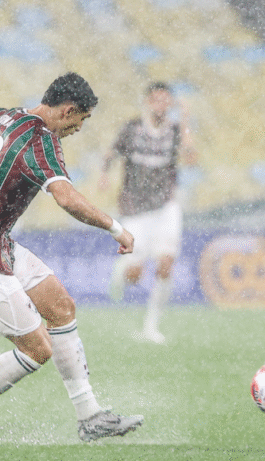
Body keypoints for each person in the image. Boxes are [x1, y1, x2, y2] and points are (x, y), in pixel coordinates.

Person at [0, 72, 144, 446]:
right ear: (68, 111)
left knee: (61, 307)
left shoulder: (3, 116)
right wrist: (116, 228)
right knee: (37, 349)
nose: (79, 128)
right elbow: (66, 199)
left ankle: (90, 416)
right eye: (81, 120)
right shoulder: (40, 141)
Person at [100, 81, 198, 344]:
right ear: (147, 102)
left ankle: (151, 327)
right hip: (135, 207)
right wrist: (104, 175)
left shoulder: (176, 130)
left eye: (166, 100)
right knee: (135, 275)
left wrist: (186, 119)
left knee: (166, 263)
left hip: (166, 204)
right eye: (155, 99)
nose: (160, 105)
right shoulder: (132, 129)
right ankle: (122, 270)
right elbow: (111, 154)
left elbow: (191, 158)